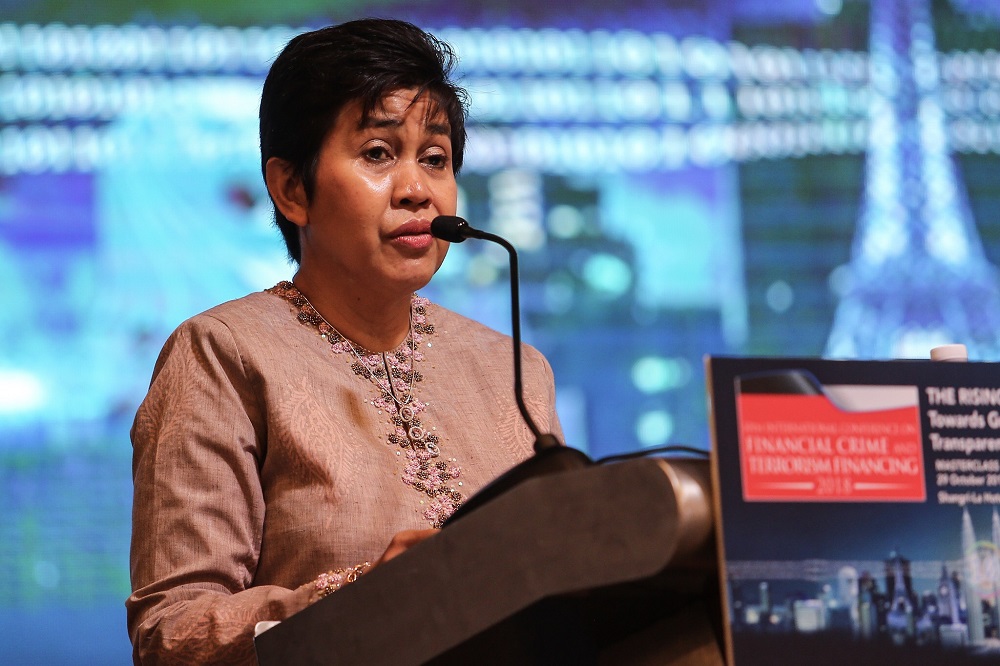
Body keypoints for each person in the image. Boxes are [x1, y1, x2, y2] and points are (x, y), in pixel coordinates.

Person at [126, 18, 562, 665]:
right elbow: (175, 633)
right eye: (379, 154)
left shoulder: (515, 369)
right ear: (291, 189)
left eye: (435, 159)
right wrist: (368, 596)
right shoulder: (222, 354)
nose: (418, 189)